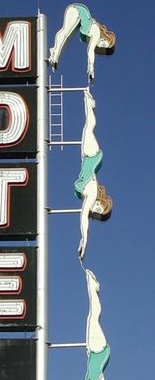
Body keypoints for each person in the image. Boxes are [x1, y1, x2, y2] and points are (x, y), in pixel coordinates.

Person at [74, 90, 112, 259]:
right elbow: (83, 218)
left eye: (98, 212)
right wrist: (85, 238)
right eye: (100, 208)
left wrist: (84, 240)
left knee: (87, 128)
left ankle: (88, 102)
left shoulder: (91, 196)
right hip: (91, 155)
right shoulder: (92, 195)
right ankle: (89, 103)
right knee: (89, 128)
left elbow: (85, 216)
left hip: (87, 158)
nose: (95, 210)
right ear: (101, 204)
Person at [49, 3, 116, 80]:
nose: (101, 45)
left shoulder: (93, 34)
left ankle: (55, 53)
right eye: (104, 43)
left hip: (78, 14)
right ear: (104, 38)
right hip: (76, 10)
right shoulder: (96, 33)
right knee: (65, 33)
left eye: (103, 46)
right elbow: (90, 51)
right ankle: (54, 53)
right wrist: (91, 69)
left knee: (67, 38)